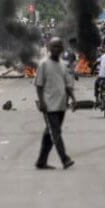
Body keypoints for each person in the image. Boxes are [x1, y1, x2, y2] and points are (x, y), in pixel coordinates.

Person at [35, 37, 77, 170]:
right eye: (54, 46)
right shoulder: (44, 64)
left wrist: (73, 99)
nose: (56, 49)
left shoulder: (62, 65)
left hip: (61, 104)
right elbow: (39, 85)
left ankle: (41, 161)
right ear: (48, 48)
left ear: (62, 49)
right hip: (49, 105)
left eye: (59, 46)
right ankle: (65, 159)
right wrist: (41, 102)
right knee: (56, 132)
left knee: (50, 133)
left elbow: (68, 85)